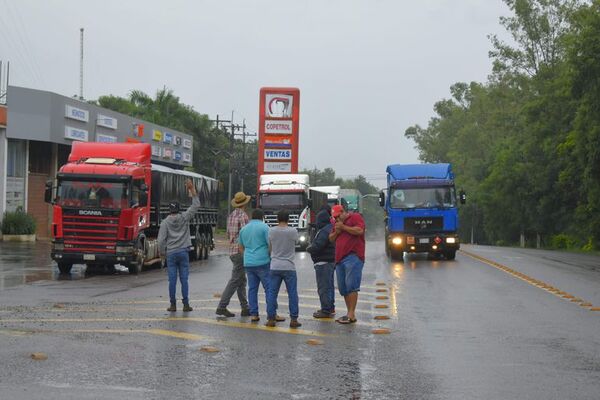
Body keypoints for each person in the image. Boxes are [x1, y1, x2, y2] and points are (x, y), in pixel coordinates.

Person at [158, 179, 199, 312]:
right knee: (184, 279)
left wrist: (162, 253)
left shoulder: (165, 223)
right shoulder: (184, 217)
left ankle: (173, 304)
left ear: (169, 210)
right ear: (179, 209)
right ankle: (186, 304)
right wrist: (192, 190)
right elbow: (196, 205)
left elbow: (161, 240)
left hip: (171, 253)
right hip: (183, 252)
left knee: (172, 281)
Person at [216, 192, 251, 318]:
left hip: (232, 251)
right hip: (240, 251)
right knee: (235, 280)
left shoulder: (231, 216)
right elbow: (246, 235)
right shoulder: (243, 216)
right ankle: (222, 306)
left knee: (241, 280)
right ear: (245, 203)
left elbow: (227, 234)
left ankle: (245, 308)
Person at [328, 204, 365, 324]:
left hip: (353, 256)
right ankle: (349, 312)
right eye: (334, 218)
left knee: (351, 285)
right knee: (343, 287)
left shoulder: (355, 217)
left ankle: (351, 314)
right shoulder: (336, 224)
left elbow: (359, 230)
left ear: (343, 212)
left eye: (338, 216)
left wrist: (343, 227)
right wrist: (337, 232)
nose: (336, 219)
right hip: (339, 258)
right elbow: (331, 239)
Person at [266, 210, 301, 328]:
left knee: (272, 293)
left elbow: (270, 247)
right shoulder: (293, 231)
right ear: (289, 219)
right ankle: (294, 319)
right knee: (292, 293)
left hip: (275, 265)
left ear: (277, 219)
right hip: (289, 266)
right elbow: (296, 242)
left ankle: (271, 318)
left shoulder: (271, 231)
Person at [238, 208, 271, 322]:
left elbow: (241, 247)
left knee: (252, 289)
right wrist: (268, 255)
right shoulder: (265, 227)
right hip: (263, 261)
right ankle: (271, 314)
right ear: (262, 217)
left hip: (249, 262)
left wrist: (247, 256)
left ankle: (254, 314)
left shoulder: (244, 229)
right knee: (268, 288)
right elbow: (270, 244)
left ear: (252, 217)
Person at [306, 207, 336, 318]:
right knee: (329, 286)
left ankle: (325, 310)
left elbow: (317, 246)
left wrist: (309, 249)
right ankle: (330, 307)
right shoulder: (330, 228)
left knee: (323, 288)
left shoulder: (324, 231)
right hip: (330, 261)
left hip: (323, 262)